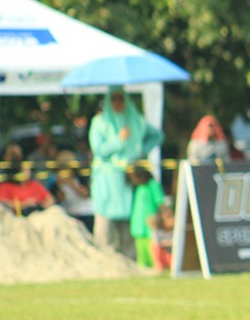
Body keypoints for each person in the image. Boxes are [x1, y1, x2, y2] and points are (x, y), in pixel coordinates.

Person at [89, 87, 162, 259]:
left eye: (121, 99)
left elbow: (157, 136)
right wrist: (118, 140)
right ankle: (104, 262)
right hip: (107, 183)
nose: (117, 103)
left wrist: (141, 151)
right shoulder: (100, 122)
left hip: (129, 182)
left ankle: (130, 262)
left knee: (130, 226)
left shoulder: (136, 120)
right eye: (113, 99)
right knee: (105, 226)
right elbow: (99, 150)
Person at [0, 144, 55, 216]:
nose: (27, 172)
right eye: (24, 170)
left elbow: (50, 199)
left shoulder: (34, 185)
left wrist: (41, 205)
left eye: (28, 169)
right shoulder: (4, 186)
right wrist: (22, 204)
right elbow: (0, 202)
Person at [128, 165, 167, 268]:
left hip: (150, 223)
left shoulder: (153, 185)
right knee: (141, 250)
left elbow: (161, 202)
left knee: (152, 247)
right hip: (138, 223)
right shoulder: (140, 187)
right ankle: (143, 267)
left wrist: (166, 215)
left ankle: (156, 266)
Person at [51, 149, 94, 232]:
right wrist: (60, 185)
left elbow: (86, 194)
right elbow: (59, 199)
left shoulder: (79, 177)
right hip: (70, 212)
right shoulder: (55, 181)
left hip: (86, 211)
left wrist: (71, 183)